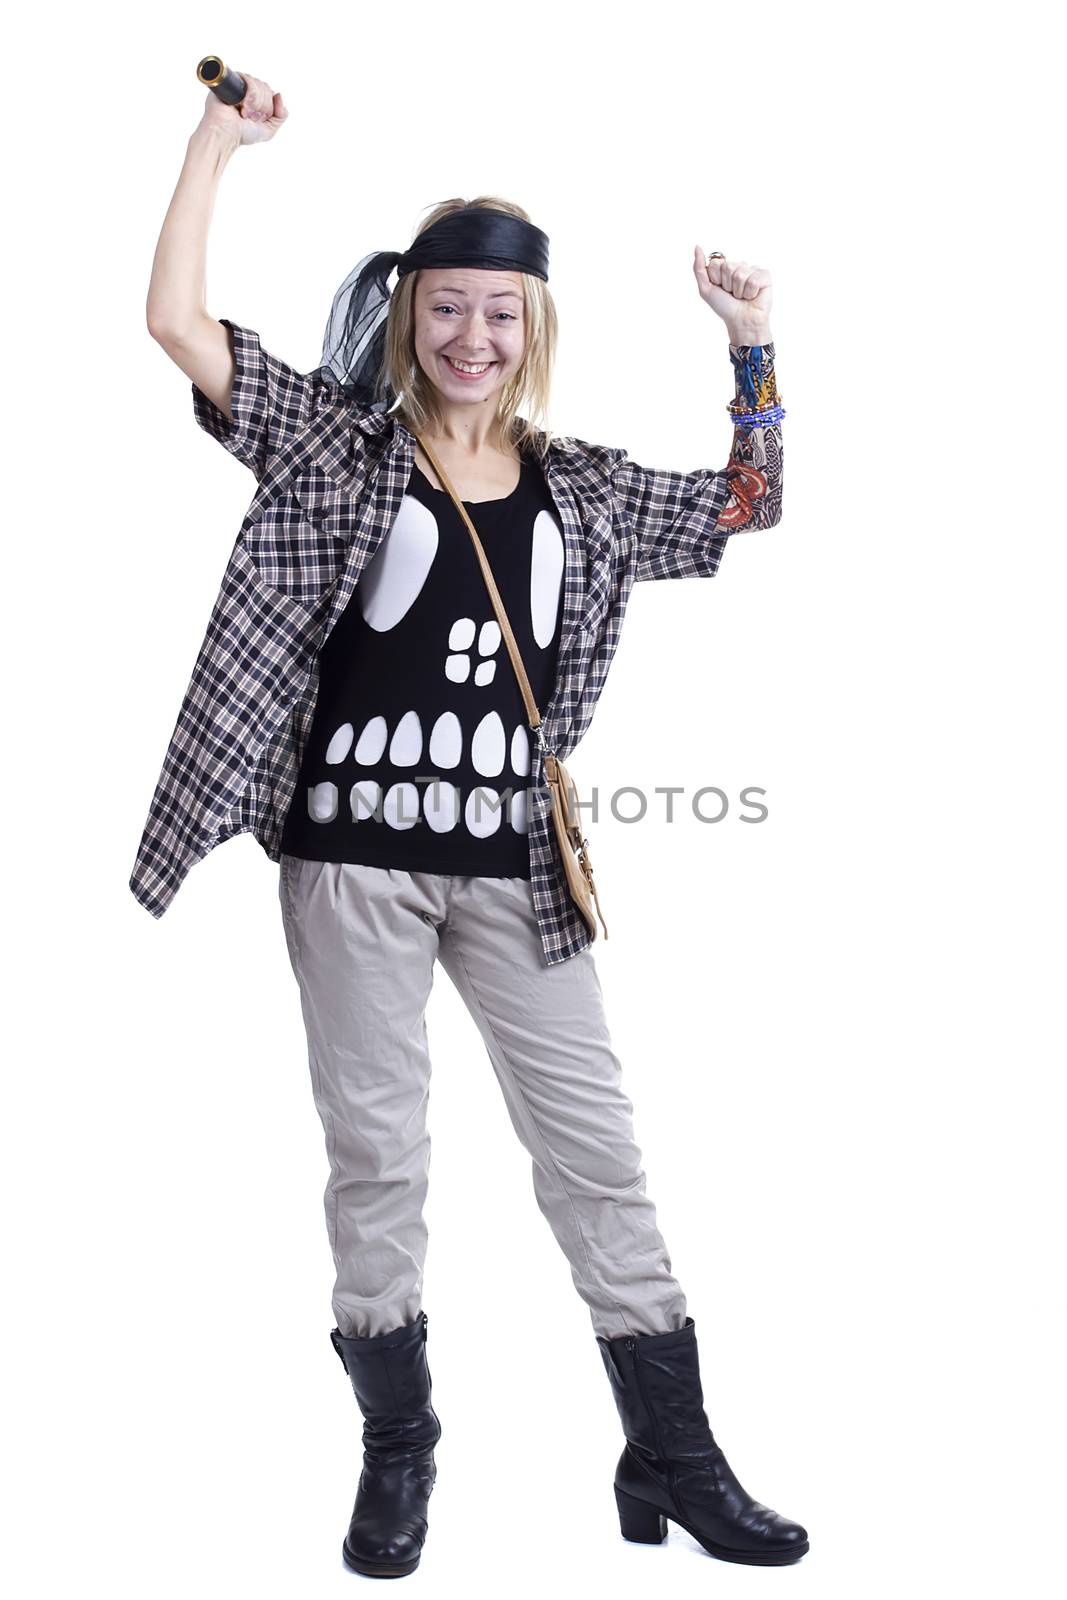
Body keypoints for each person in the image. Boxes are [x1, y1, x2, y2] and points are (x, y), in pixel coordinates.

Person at [136, 68, 806, 1579]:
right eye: (446, 307)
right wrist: (212, 145)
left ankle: (674, 1455)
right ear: (405, 315)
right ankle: (400, 1447)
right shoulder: (338, 446)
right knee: (378, 1157)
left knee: (599, 1154)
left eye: (500, 313)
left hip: (517, 868)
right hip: (351, 863)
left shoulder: (589, 494)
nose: (471, 336)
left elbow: (750, 507)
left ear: (533, 329)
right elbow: (178, 325)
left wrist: (753, 348)